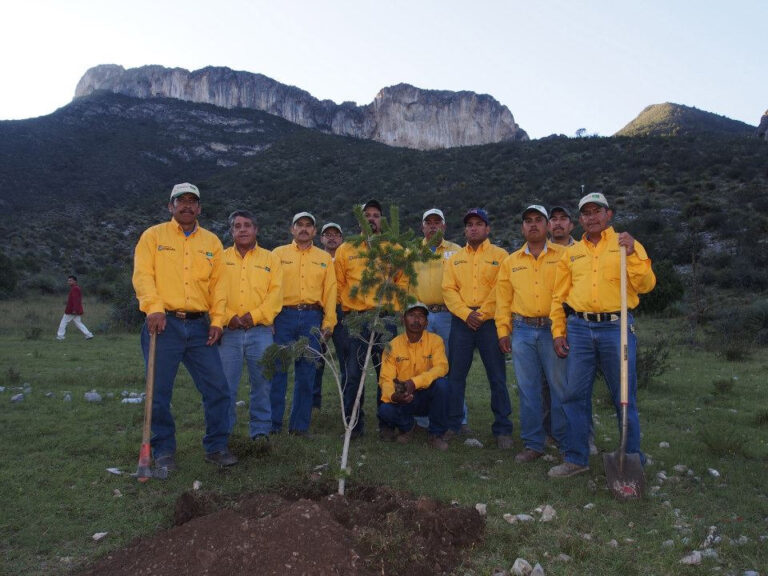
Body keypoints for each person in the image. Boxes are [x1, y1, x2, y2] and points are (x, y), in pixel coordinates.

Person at [547, 192, 656, 478]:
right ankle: (576, 458)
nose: (592, 217)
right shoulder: (571, 253)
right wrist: (559, 330)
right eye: (586, 213)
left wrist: (632, 254)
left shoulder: (625, 244)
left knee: (623, 396)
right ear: (580, 220)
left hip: (616, 327)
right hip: (579, 328)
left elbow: (646, 285)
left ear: (609, 215)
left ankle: (631, 458)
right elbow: (559, 295)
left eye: (597, 211)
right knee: (573, 395)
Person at [132, 182, 237, 470]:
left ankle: (216, 447)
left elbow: (220, 286)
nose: (187, 205)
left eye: (193, 201)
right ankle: (163, 450)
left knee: (218, 388)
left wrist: (217, 320)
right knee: (158, 392)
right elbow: (143, 275)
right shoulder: (153, 237)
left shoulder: (212, 242)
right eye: (181, 201)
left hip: (200, 326)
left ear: (199, 208)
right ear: (171, 206)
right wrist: (153, 308)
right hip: (163, 325)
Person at [496, 205, 567, 463]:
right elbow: (503, 300)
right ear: (522, 227)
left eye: (539, 220)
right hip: (523, 330)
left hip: (554, 329)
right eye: (528, 221)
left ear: (548, 226)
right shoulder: (511, 262)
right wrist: (503, 330)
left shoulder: (564, 255)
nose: (533, 225)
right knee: (528, 390)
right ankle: (533, 443)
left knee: (561, 389)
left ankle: (564, 441)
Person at [442, 208, 514, 448]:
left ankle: (502, 428)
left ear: (487, 228)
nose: (474, 228)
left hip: (489, 322)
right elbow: (448, 290)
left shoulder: (501, 255)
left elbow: (501, 289)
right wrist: (465, 314)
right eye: (470, 224)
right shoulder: (455, 258)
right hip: (462, 322)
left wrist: (481, 314)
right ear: (465, 229)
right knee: (456, 376)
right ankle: (454, 424)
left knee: (497, 376)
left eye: (479, 224)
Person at [334, 199, 405, 438]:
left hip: (385, 319)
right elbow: (339, 283)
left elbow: (403, 281)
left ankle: (386, 424)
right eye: (367, 215)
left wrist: (393, 307)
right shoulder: (345, 249)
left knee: (387, 374)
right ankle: (353, 425)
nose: (372, 218)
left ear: (382, 220)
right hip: (357, 320)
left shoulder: (393, 248)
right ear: (360, 220)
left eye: (376, 215)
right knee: (354, 374)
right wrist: (349, 309)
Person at [218, 210, 282, 442]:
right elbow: (212, 293)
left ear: (256, 229)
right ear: (232, 231)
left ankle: (260, 433)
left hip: (261, 332)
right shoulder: (220, 257)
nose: (242, 229)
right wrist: (228, 317)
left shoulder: (271, 259)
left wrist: (254, 316)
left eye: (247, 225)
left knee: (263, 384)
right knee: (226, 385)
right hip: (229, 332)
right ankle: (225, 435)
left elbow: (276, 294)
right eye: (237, 226)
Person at [271, 212, 337, 436]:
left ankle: (299, 426)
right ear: (292, 229)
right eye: (300, 225)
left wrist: (329, 322)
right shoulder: (278, 254)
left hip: (312, 318)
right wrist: (269, 318)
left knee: (307, 373)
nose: (304, 229)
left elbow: (330, 292)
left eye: (309, 226)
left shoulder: (324, 258)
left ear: (315, 231)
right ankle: (273, 425)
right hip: (283, 317)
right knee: (277, 371)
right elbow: (269, 288)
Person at [411, 208, 466, 430]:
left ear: (444, 226)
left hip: (448, 315)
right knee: (421, 365)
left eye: (437, 222)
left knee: (452, 367)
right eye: (428, 222)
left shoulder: (456, 251)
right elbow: (407, 283)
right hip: (421, 315)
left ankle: (458, 418)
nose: (433, 226)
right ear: (422, 227)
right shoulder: (413, 251)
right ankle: (422, 419)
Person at [377, 302, 450, 451]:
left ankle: (436, 435)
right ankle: (409, 427)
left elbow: (442, 367)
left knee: (443, 385)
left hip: (426, 396)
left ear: (426, 322)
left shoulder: (436, 341)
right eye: (411, 315)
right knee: (384, 409)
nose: (416, 320)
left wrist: (414, 383)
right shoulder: (392, 345)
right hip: (404, 399)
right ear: (403, 320)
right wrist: (395, 396)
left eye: (421, 316)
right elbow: (386, 379)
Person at [312, 222, 347, 410]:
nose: (332, 237)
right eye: (328, 234)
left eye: (336, 234)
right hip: (320, 312)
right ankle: (313, 402)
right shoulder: (316, 258)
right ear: (321, 238)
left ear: (341, 238)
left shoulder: (346, 258)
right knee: (317, 357)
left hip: (342, 311)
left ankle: (346, 401)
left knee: (345, 358)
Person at [56, 275, 94, 340]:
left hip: (72, 310)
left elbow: (76, 300)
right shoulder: (75, 288)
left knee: (63, 322)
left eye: (70, 280)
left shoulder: (75, 288)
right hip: (74, 310)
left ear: (75, 281)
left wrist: (74, 310)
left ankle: (60, 336)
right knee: (78, 323)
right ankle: (88, 335)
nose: (68, 282)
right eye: (68, 280)